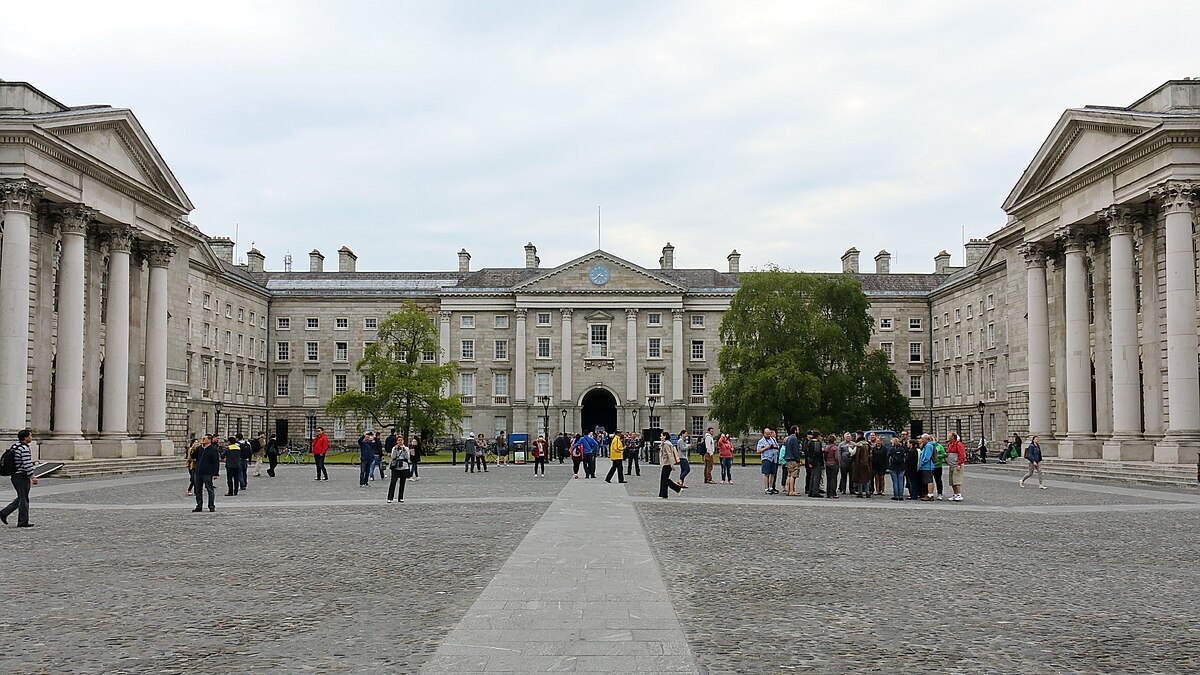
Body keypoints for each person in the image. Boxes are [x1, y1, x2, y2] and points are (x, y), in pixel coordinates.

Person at [1, 429, 38, 527]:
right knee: (23, 499)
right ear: (25, 438)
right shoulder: (24, 448)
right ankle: (22, 521)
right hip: (22, 476)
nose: (31, 437)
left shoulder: (15, 446)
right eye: (30, 436)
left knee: (22, 497)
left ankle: (4, 512)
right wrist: (32, 476)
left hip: (15, 475)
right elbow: (27, 464)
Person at [192, 434, 221, 513]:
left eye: (204, 438)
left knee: (209, 489)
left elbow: (216, 462)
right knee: (198, 490)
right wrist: (193, 449)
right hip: (198, 472)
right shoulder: (199, 449)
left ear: (209, 440)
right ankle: (199, 505)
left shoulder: (213, 449)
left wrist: (216, 473)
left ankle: (211, 505)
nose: (202, 440)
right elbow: (193, 457)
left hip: (208, 473)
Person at [658, 431, 682, 499]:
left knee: (664, 479)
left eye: (661, 436)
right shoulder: (667, 443)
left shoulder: (666, 444)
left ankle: (677, 489)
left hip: (667, 463)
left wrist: (672, 465)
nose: (660, 437)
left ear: (665, 436)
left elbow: (669, 455)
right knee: (664, 479)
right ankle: (663, 494)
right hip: (666, 463)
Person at [387, 435, 411, 503]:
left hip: (404, 467)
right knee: (393, 482)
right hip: (396, 467)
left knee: (402, 483)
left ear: (403, 441)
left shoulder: (406, 448)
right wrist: (395, 450)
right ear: (397, 441)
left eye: (401, 440)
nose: (400, 442)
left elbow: (407, 457)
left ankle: (400, 497)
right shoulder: (394, 448)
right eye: (399, 440)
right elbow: (393, 457)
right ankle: (390, 498)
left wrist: (404, 450)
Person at [757, 428, 779, 495]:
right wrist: (767, 447)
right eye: (767, 434)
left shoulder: (773, 439)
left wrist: (774, 447)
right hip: (766, 458)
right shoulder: (761, 441)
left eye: (769, 434)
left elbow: (778, 446)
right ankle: (766, 488)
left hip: (774, 458)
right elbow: (758, 451)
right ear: (764, 434)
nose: (769, 435)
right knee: (766, 474)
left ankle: (771, 487)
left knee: (773, 474)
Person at [851, 432, 873, 498]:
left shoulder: (858, 445)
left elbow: (853, 453)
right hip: (867, 463)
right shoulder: (868, 444)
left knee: (859, 478)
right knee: (866, 478)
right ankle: (867, 492)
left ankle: (860, 492)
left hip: (859, 463)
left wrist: (849, 449)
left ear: (859, 435)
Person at [945, 432, 966, 501]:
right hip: (951, 465)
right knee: (952, 481)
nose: (948, 437)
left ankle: (959, 494)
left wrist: (959, 464)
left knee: (957, 480)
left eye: (949, 436)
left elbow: (962, 455)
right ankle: (955, 494)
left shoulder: (958, 444)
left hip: (956, 465)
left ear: (953, 437)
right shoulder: (950, 444)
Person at [783, 426, 804, 496]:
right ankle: (792, 491)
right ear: (795, 431)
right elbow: (795, 451)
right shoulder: (794, 439)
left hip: (788, 459)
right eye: (798, 430)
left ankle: (789, 490)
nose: (799, 431)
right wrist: (798, 460)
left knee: (789, 475)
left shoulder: (788, 438)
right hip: (793, 459)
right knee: (793, 475)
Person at [919, 434, 937, 501]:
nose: (921, 440)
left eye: (922, 438)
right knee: (929, 480)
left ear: (925, 439)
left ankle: (930, 494)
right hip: (927, 466)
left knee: (929, 481)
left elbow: (927, 457)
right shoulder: (928, 445)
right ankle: (930, 494)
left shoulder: (928, 446)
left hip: (927, 466)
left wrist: (922, 463)